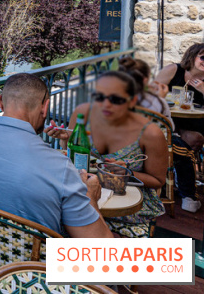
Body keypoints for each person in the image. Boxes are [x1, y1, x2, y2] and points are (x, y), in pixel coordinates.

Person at [0, 73, 112, 238]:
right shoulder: (60, 166)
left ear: (0, 102)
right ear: (45, 107)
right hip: (35, 267)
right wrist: (89, 196)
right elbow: (102, 247)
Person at [48, 71, 168, 238]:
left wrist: (129, 173)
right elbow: (71, 151)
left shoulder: (151, 134)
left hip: (126, 207)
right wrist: (64, 139)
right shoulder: (83, 114)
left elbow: (158, 181)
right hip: (84, 195)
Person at [154, 44, 204, 213]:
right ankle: (188, 193)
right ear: (192, 56)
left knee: (194, 139)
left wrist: (203, 90)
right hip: (167, 121)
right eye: (202, 57)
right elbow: (150, 95)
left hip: (194, 124)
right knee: (179, 144)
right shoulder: (173, 70)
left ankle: (179, 181)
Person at [119, 57, 173, 129]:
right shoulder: (155, 102)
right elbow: (170, 127)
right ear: (145, 80)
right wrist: (161, 99)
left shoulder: (111, 98)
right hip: (146, 139)